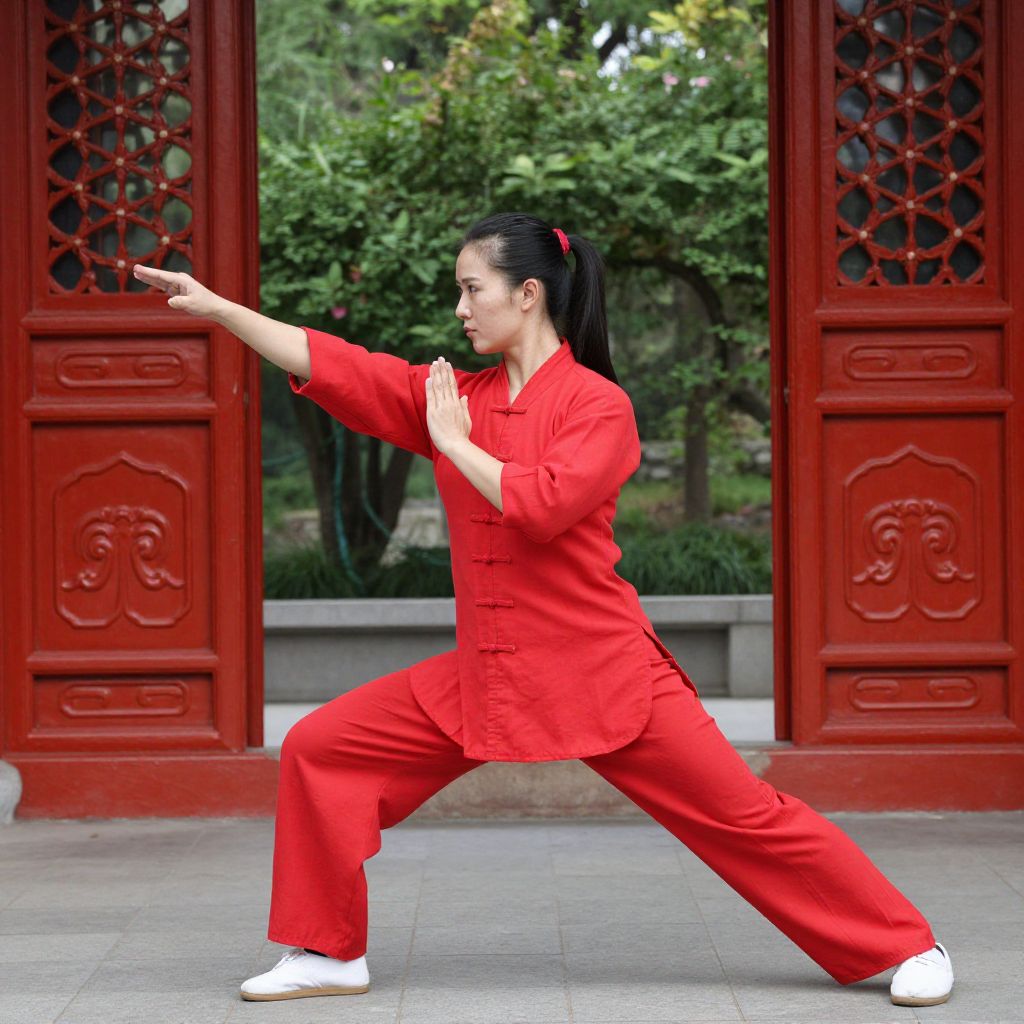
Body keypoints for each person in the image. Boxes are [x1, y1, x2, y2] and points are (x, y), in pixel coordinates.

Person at [132, 212, 955, 1008]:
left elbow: (543, 504)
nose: (460, 309)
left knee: (744, 817)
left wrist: (454, 444)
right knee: (323, 749)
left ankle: (907, 945)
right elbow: (343, 365)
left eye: (472, 289)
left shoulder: (598, 406)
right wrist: (220, 308)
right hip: (490, 670)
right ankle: (326, 952)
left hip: (601, 668)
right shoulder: (456, 395)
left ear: (528, 294)